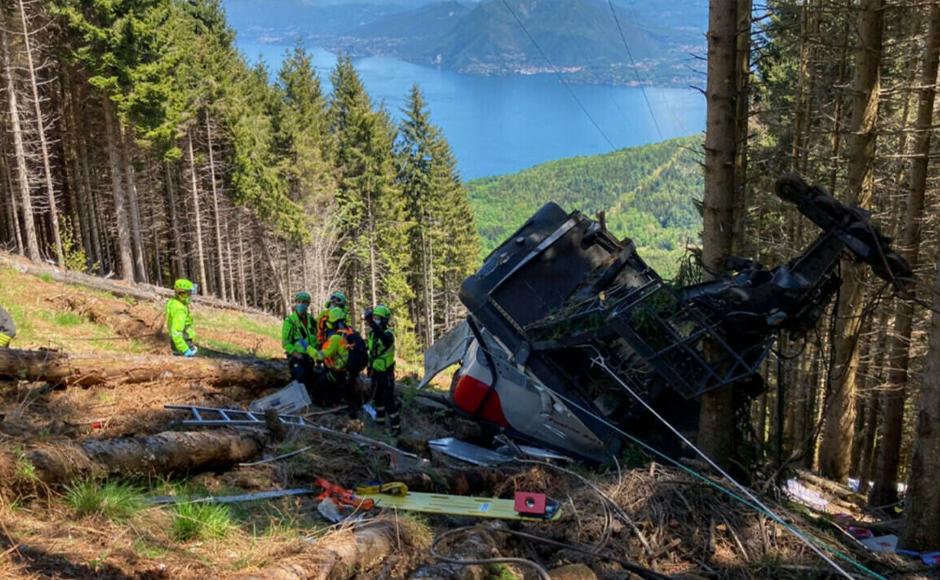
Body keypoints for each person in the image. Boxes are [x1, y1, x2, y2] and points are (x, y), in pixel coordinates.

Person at [307, 306, 353, 408]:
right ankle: (334, 404)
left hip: (337, 373)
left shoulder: (336, 338)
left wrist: (307, 348)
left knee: (318, 385)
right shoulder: (348, 334)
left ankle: (318, 408)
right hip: (345, 372)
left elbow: (320, 356)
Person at [365, 304, 398, 434]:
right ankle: (380, 421)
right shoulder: (372, 334)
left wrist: (371, 322)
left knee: (388, 400)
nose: (375, 320)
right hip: (375, 371)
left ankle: (396, 428)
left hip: (386, 372)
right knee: (377, 398)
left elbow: (384, 339)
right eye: (374, 318)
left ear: (384, 320)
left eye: (378, 318)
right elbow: (371, 351)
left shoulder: (388, 334)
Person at [282, 291, 317, 390]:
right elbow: (286, 343)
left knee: (310, 382)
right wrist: (296, 353)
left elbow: (315, 336)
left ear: (308, 304)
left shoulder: (311, 319)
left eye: (304, 302)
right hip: (297, 357)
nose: (301, 304)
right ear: (296, 303)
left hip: (310, 356)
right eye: (299, 301)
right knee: (299, 381)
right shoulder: (290, 321)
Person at [166, 279, 198, 357]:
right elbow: (176, 331)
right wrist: (185, 349)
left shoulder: (174, 302)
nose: (191, 296)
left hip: (179, 342)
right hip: (183, 343)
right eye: (189, 293)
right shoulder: (179, 310)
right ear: (182, 294)